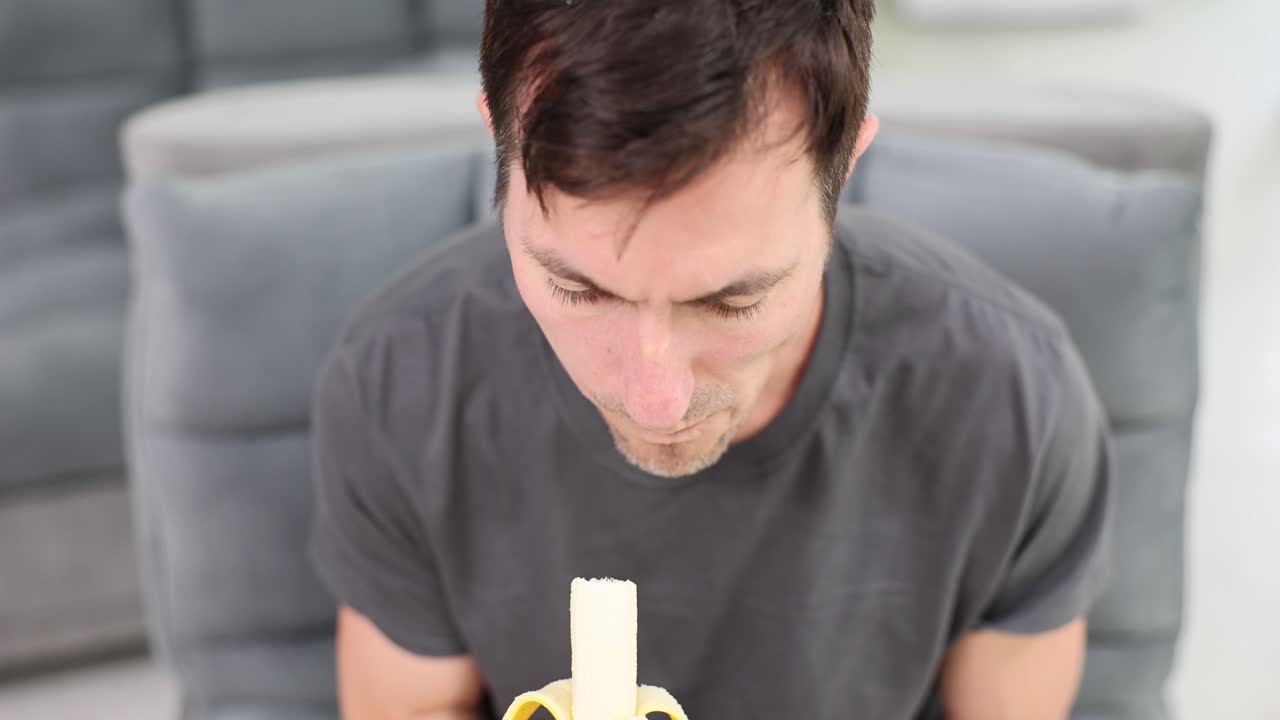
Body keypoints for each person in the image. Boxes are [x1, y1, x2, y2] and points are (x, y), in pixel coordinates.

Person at [307, 1, 1114, 718]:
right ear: (498, 142)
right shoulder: (399, 384)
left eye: (731, 302)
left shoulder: (1013, 401)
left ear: (846, 167)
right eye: (577, 287)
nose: (654, 398)